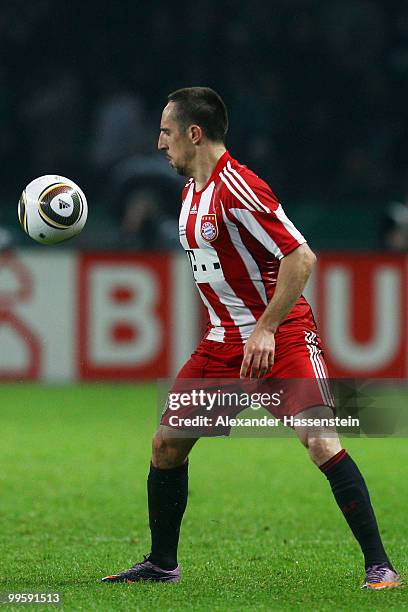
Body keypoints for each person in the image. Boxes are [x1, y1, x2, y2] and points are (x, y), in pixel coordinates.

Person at [102, 87, 401, 589]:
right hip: (223, 343)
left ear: (194, 134)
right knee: (166, 447)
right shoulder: (190, 191)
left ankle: (381, 566)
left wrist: (264, 327)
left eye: (165, 132)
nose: (159, 144)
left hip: (278, 337)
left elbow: (301, 258)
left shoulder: (239, 186)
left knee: (321, 440)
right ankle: (161, 564)